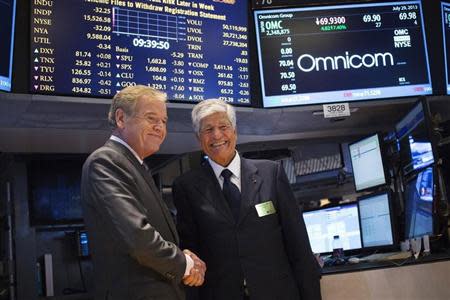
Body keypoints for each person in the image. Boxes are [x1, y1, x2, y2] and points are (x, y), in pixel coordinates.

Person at [172, 99, 322, 300]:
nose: (217, 135)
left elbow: (299, 246)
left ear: (234, 131)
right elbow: (191, 253)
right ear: (199, 137)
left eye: (223, 127)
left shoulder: (271, 173)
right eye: (208, 129)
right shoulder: (186, 187)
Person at [81, 85, 206, 300]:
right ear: (121, 118)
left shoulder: (135, 165)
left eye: (164, 121)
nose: (160, 127)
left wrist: (183, 255)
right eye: (151, 118)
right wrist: (185, 265)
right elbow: (137, 235)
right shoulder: (106, 161)